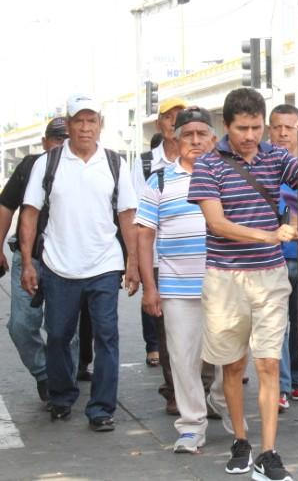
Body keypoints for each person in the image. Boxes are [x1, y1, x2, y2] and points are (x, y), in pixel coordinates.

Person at [188, 88, 296, 480]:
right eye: (241, 128)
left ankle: (269, 452)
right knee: (232, 366)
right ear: (226, 126)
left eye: (256, 127)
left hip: (270, 278)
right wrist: (268, 235)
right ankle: (241, 439)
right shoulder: (208, 165)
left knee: (268, 363)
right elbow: (216, 224)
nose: (249, 136)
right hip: (225, 278)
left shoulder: (278, 157)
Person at [19, 93, 140, 431]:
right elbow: (30, 213)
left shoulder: (115, 163)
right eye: (78, 121)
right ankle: (60, 396)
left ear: (100, 125)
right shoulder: (49, 163)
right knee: (58, 336)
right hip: (58, 267)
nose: (85, 128)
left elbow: (127, 215)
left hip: (104, 264)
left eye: (91, 121)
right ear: (68, 125)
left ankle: (101, 409)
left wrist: (132, 262)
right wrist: (28, 262)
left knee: (107, 338)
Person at [136, 106, 223, 453]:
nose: (196, 140)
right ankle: (191, 426)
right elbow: (144, 236)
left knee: (228, 356)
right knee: (183, 358)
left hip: (223, 285)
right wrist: (149, 288)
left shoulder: (226, 176)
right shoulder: (158, 180)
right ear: (176, 137)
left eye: (203, 134)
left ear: (213, 139)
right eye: (188, 134)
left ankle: (221, 403)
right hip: (176, 287)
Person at [0, 117, 70, 402]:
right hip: (29, 258)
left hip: (69, 262)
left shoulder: (88, 168)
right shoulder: (29, 166)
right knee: (20, 325)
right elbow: (6, 207)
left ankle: (62, 384)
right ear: (44, 142)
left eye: (66, 138)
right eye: (56, 138)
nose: (61, 145)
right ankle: (45, 374)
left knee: (67, 331)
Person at [132, 97, 188, 416]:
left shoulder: (204, 159)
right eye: (170, 116)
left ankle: (199, 389)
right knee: (168, 332)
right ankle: (173, 390)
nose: (175, 122)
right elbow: (137, 221)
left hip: (199, 261)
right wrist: (137, 268)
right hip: (158, 259)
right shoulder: (144, 165)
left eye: (181, 116)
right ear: (160, 124)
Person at [268, 104, 298, 411]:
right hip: (273, 256)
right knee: (276, 325)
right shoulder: (262, 165)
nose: (283, 133)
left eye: (290, 127)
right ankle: (280, 387)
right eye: (277, 127)